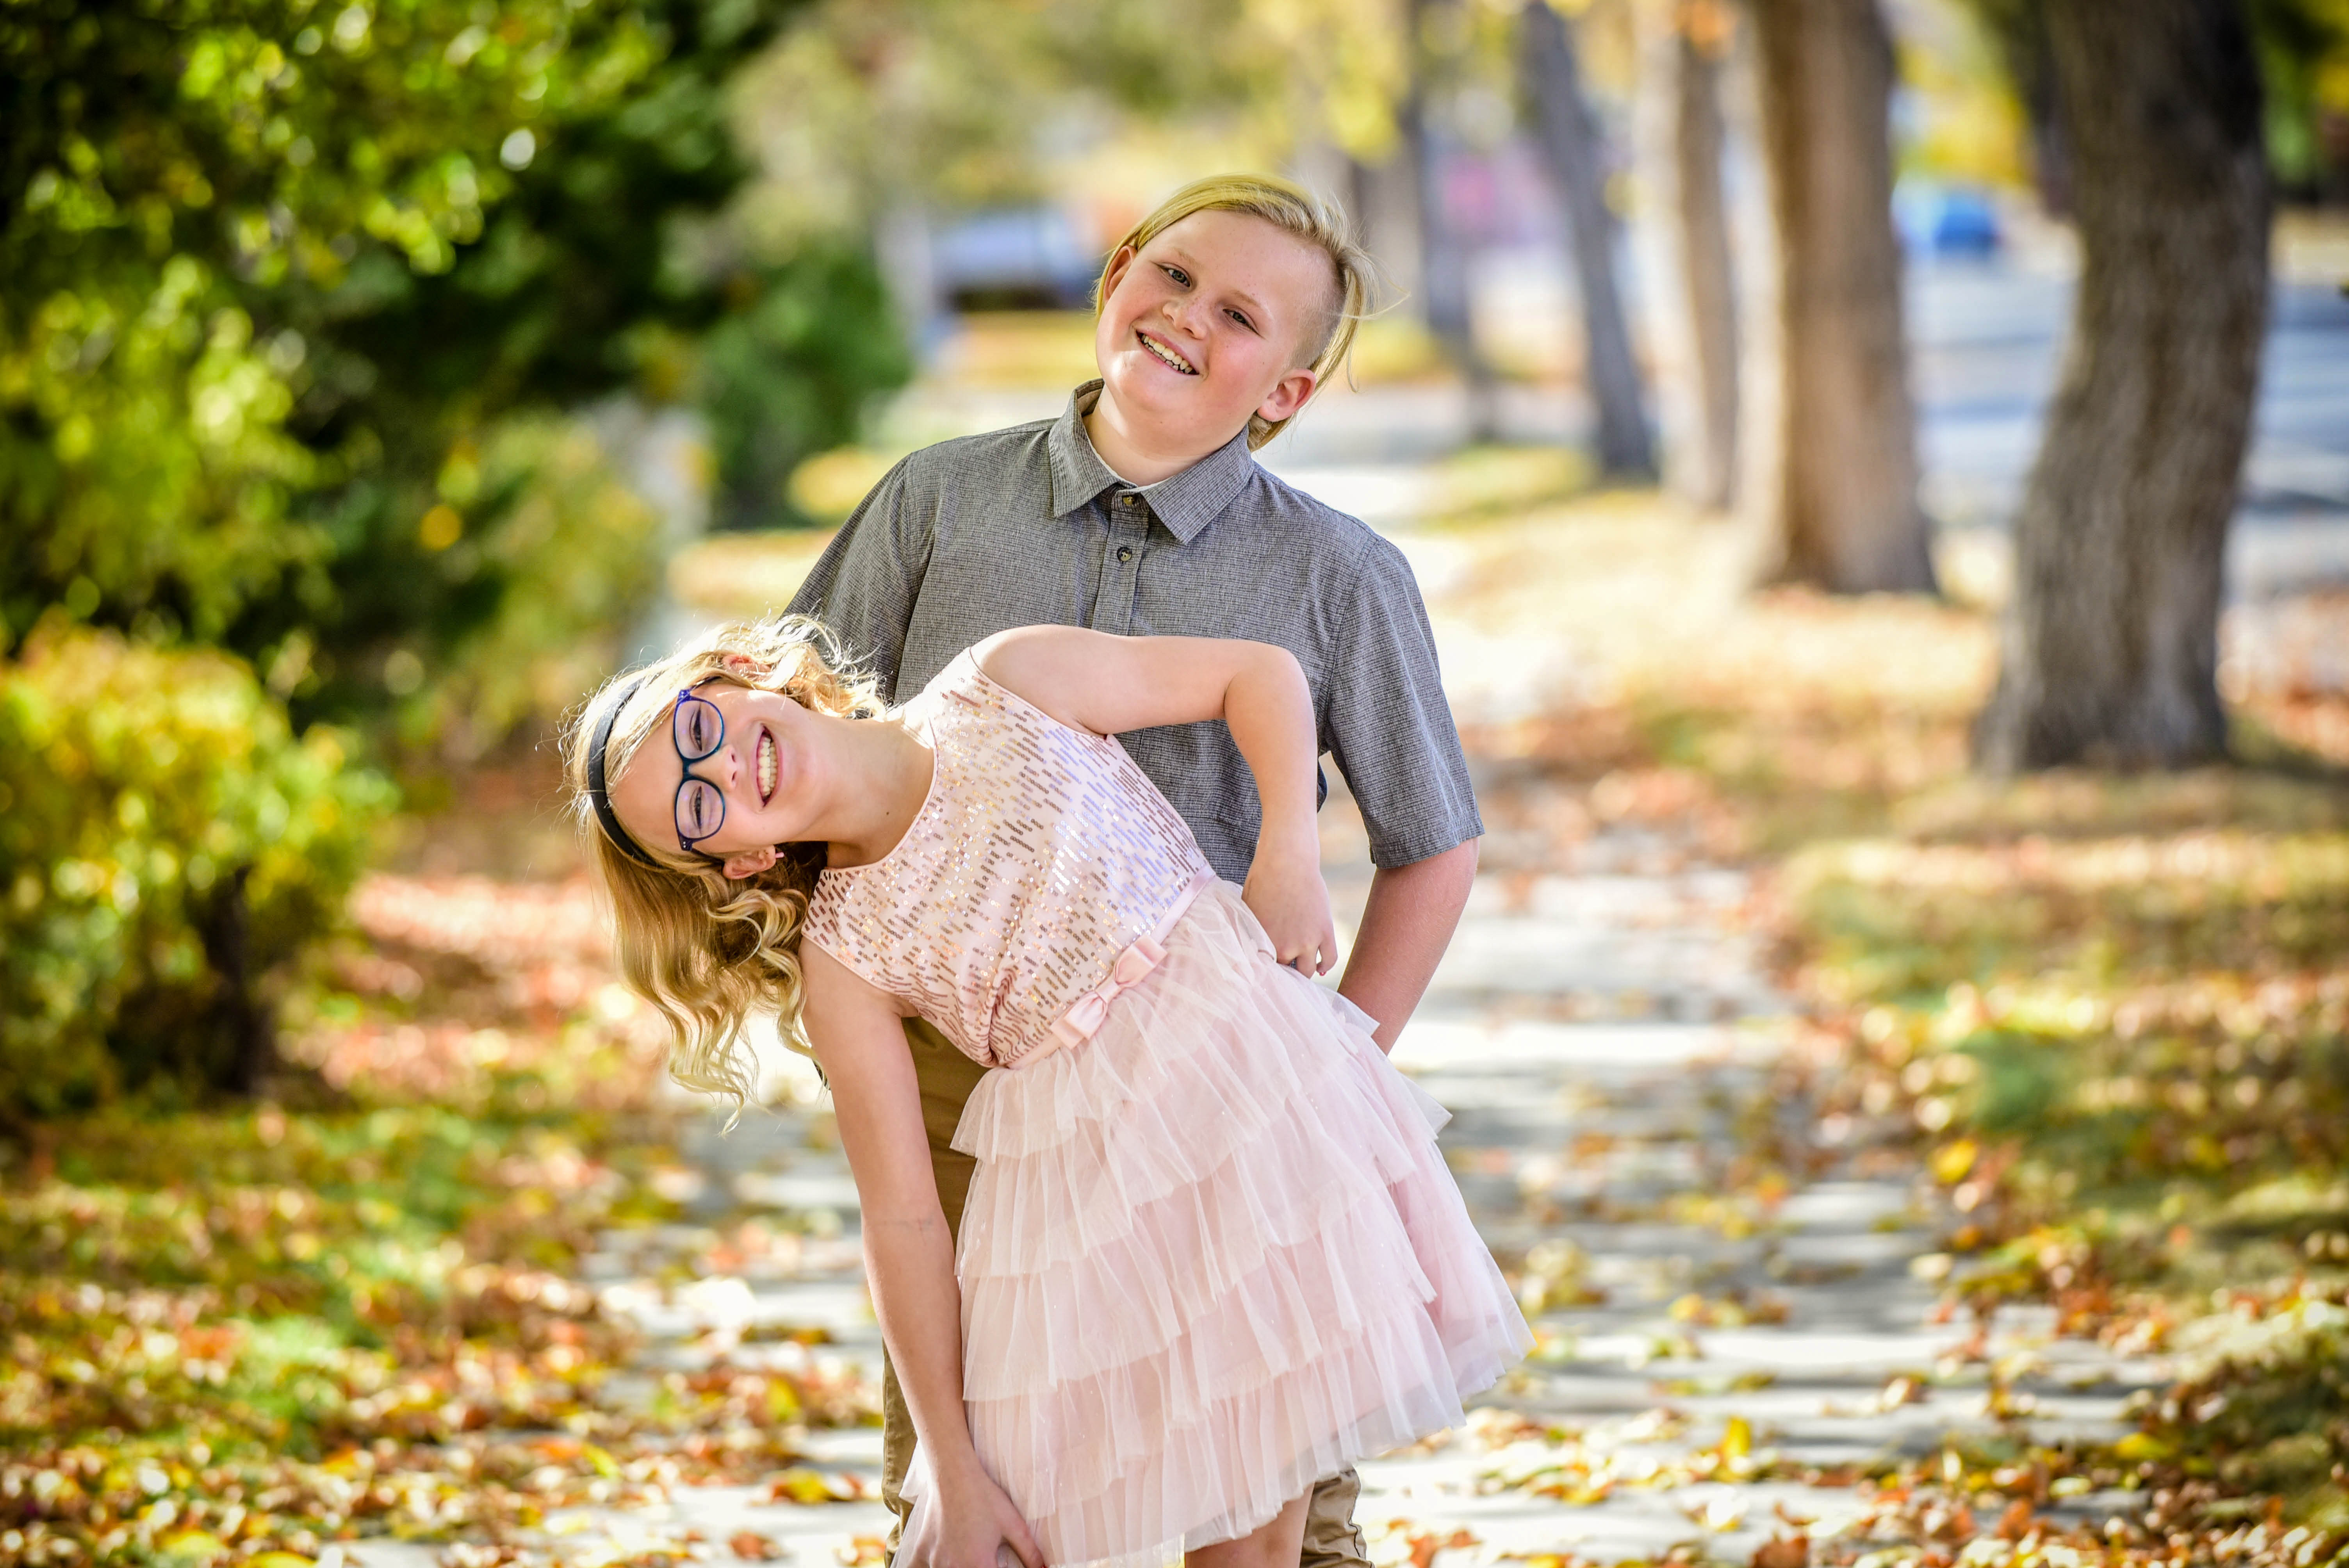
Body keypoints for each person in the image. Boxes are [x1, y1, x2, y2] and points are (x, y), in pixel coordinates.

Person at [787, 172, 1486, 1568]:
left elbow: (1433, 850)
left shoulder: (1336, 576)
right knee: (976, 1487)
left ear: (1282, 391)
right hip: (962, 1091)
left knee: (1271, 1479)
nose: (1182, 318)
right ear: (1114, 272)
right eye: (1168, 274)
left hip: (1211, 1099)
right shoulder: (938, 504)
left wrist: (1322, 1073)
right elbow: (799, 736)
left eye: (1236, 316)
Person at [565, 615, 1530, 1568]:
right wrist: (948, 1461)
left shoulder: (1004, 679)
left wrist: (1288, 849)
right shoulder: (841, 961)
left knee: (1264, 1526)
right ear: (739, 863)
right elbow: (900, 1218)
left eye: (698, 732)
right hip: (1102, 1200)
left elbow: (1261, 674)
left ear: (737, 674)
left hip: (1243, 1105)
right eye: (696, 808)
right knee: (1171, 1526)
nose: (723, 771)